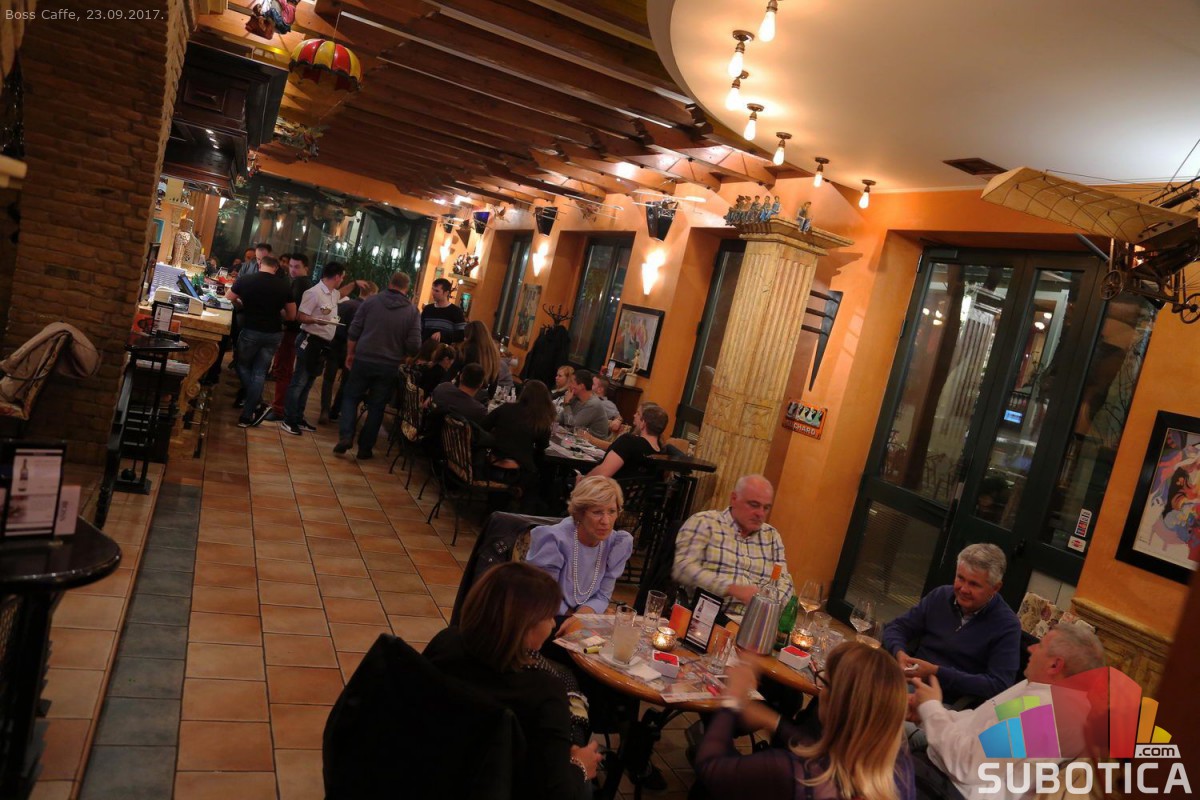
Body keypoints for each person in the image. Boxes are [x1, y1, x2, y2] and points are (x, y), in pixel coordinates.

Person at [423, 562, 601, 800]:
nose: (552, 624)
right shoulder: (545, 691)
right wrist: (580, 766)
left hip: (435, 769)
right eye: (549, 616)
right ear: (525, 626)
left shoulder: (446, 642)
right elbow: (557, 791)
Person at [694, 643, 915, 800]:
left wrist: (733, 698)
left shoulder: (795, 773)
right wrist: (775, 721)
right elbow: (828, 754)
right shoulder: (900, 769)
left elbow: (711, 767)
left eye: (824, 683)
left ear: (836, 701)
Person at [911, 625, 1105, 800]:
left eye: (1040, 646)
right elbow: (977, 721)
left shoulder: (1046, 716)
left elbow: (967, 765)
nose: (1030, 648)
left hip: (947, 788)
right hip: (939, 767)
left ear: (1055, 665)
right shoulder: (1040, 692)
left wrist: (931, 709)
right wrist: (925, 714)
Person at [882, 543, 1021, 705]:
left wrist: (937, 672)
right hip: (908, 681)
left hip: (945, 702)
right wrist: (900, 653)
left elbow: (998, 685)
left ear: (995, 588)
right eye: (960, 578)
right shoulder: (940, 596)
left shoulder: (1006, 625)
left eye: (974, 584)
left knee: (880, 705)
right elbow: (895, 628)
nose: (964, 589)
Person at [672, 474, 794, 614]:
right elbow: (683, 568)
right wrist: (731, 588)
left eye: (766, 508)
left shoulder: (771, 536)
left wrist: (767, 605)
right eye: (754, 505)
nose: (760, 513)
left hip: (753, 618)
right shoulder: (704, 522)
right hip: (706, 616)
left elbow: (785, 581)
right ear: (734, 498)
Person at [335, 271, 421, 459]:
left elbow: (354, 330)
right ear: (406, 288)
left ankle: (346, 435)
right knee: (377, 406)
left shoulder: (371, 302)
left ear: (390, 282)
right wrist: (402, 354)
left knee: (350, 397)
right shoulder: (412, 312)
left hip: (364, 358)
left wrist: (350, 353)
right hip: (389, 364)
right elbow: (415, 345)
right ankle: (365, 449)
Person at [526, 475, 634, 617]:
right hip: (548, 614)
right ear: (580, 513)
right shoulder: (555, 540)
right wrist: (576, 618)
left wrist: (585, 615)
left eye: (612, 511)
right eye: (597, 512)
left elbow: (603, 595)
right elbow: (544, 595)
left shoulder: (616, 544)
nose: (606, 521)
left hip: (584, 616)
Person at [225, 256, 296, 428]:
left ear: (259, 265)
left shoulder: (246, 279)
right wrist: (277, 312)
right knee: (259, 372)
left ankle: (259, 403)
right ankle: (246, 416)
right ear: (276, 268)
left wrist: (242, 303)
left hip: (251, 329)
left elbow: (229, 297)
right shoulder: (284, 286)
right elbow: (292, 315)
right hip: (273, 333)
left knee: (241, 365)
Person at [281, 262, 345, 435]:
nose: (342, 280)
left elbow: (342, 295)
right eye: (342, 277)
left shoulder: (334, 294)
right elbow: (300, 317)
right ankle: (288, 419)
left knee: (308, 383)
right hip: (309, 340)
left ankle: (298, 417)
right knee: (299, 382)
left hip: (323, 344)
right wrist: (316, 320)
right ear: (337, 276)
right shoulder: (313, 292)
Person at [480, 379, 555, 489]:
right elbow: (543, 446)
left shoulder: (505, 408)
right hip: (517, 469)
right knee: (541, 466)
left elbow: (483, 427)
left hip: (492, 461)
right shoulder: (539, 420)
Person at [320, 279, 377, 424]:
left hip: (336, 344)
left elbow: (333, 322)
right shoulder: (368, 311)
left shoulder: (345, 305)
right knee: (346, 382)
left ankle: (324, 410)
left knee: (328, 379)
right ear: (371, 293)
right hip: (352, 348)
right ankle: (335, 411)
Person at [266, 254, 312, 421]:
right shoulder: (305, 283)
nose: (292, 270)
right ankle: (280, 407)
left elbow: (292, 313)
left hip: (292, 332)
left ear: (306, 268)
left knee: (283, 369)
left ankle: (278, 409)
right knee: (285, 369)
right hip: (295, 332)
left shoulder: (300, 283)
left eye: (296, 267)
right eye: (291, 266)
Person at [586, 403, 669, 481]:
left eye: (638, 414)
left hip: (608, 489)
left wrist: (582, 479)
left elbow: (602, 474)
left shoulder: (628, 441)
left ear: (643, 423)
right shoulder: (663, 454)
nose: (634, 415)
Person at [458, 319, 512, 398]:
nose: (464, 339)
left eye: (465, 336)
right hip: (481, 396)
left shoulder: (466, 349)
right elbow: (494, 380)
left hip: (464, 393)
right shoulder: (493, 353)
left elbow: (455, 372)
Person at [557, 369, 610, 438]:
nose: (569, 385)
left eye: (571, 382)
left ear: (581, 386)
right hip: (576, 439)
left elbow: (571, 427)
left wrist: (567, 404)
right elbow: (561, 418)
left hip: (592, 443)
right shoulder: (575, 398)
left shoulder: (593, 404)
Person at [421, 277, 467, 343]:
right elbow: (419, 329)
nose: (433, 293)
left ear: (446, 293)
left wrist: (443, 335)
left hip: (443, 348)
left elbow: (461, 334)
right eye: (433, 289)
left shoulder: (456, 311)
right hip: (425, 347)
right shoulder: (427, 309)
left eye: (437, 291)